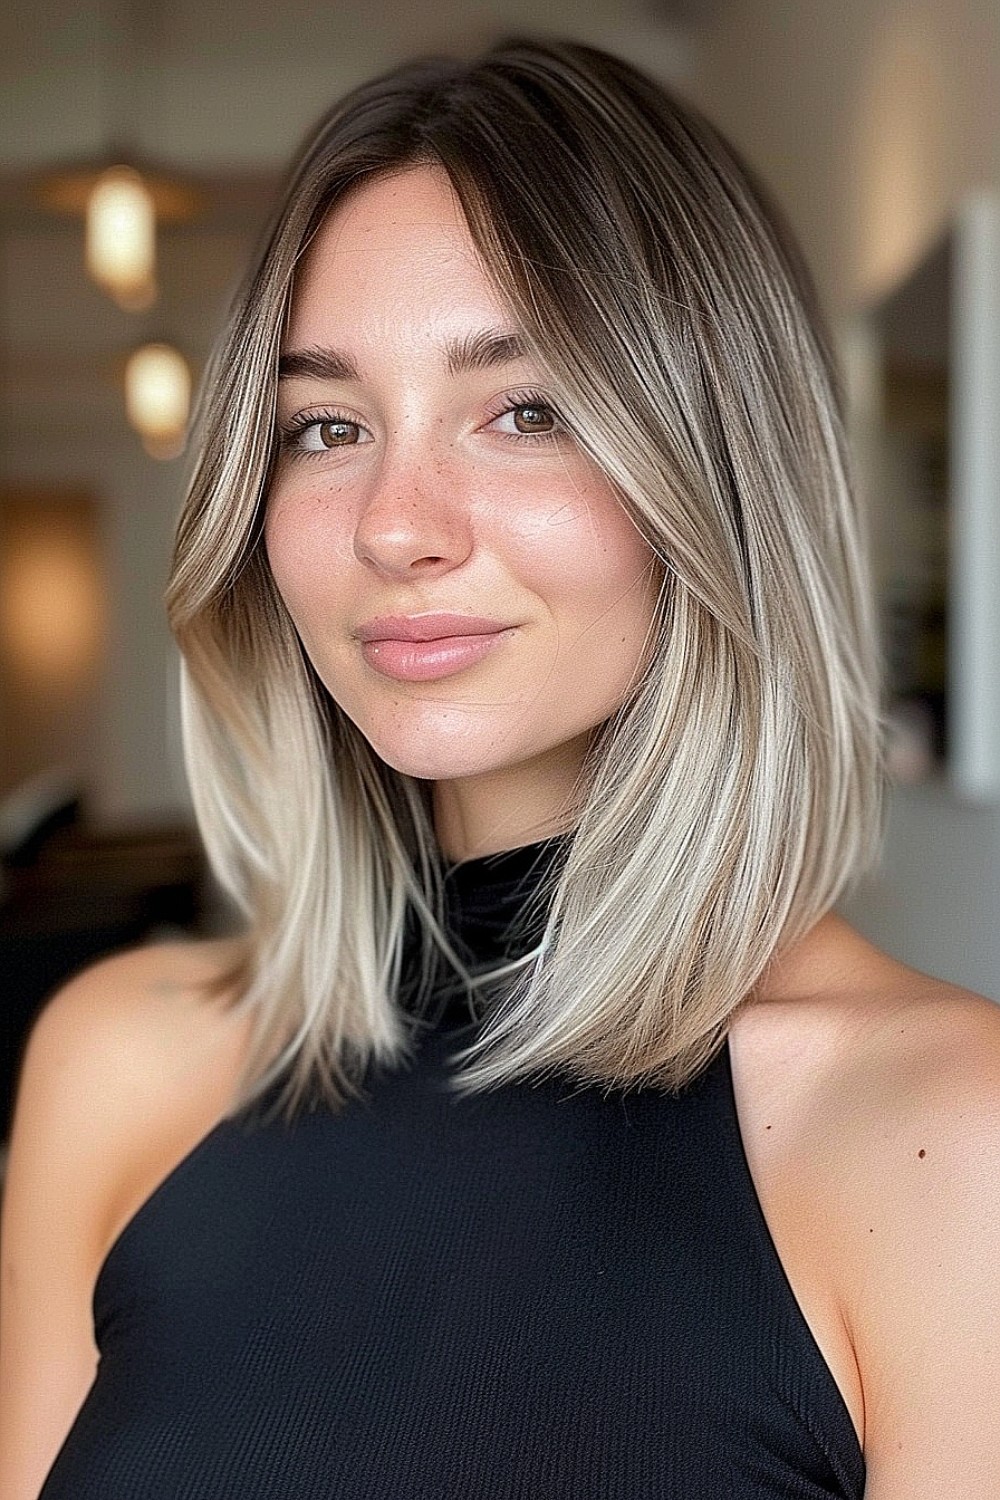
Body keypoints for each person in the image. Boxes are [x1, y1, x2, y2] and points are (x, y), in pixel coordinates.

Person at [2, 33, 998, 1500]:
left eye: (525, 411)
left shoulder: (949, 1140)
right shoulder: (120, 1059)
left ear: (713, 468)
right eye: (326, 426)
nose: (397, 526)